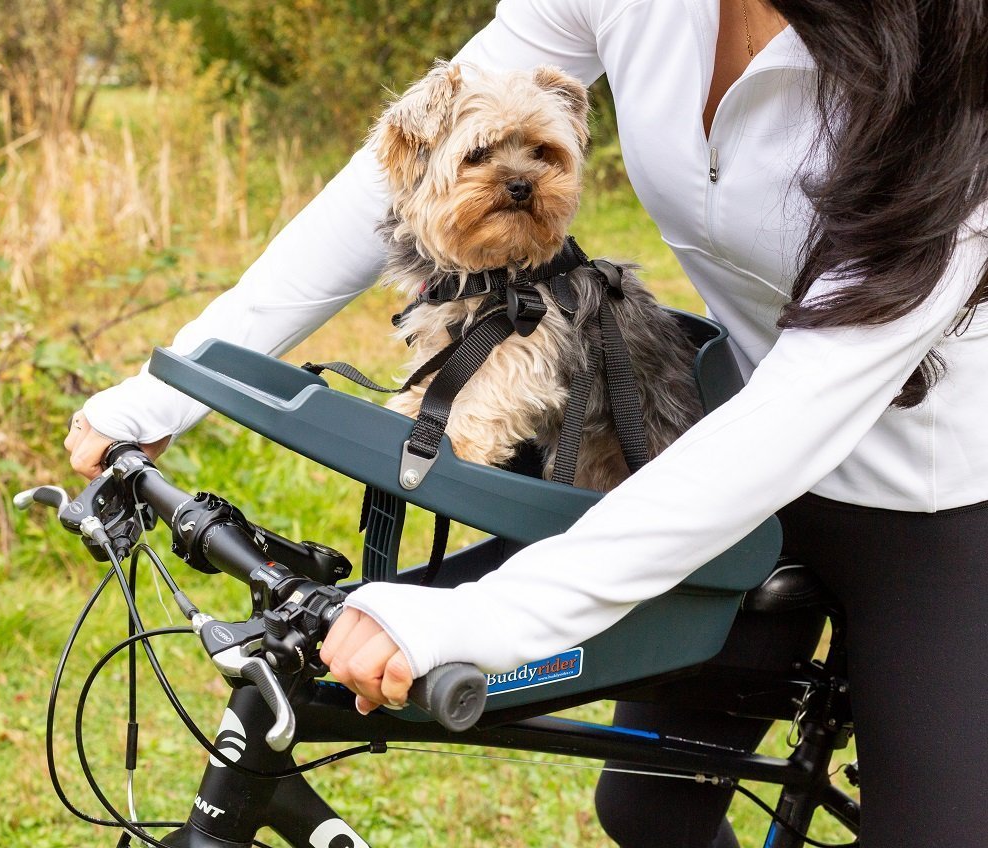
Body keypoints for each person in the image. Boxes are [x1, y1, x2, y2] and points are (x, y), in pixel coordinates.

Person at [64, 1, 988, 845]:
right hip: (719, 448)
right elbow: (378, 190)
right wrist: (177, 383)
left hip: (937, 492)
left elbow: (814, 396)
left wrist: (490, 616)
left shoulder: (956, 64)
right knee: (653, 806)